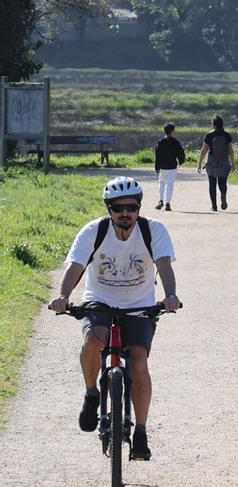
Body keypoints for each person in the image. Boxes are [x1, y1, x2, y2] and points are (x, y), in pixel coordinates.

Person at [49, 176, 182, 461]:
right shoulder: (93, 231)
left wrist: (170, 295)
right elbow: (76, 266)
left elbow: (164, 265)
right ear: (108, 209)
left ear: (139, 207)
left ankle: (141, 433)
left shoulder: (152, 230)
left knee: (138, 362)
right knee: (93, 340)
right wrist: (62, 296)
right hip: (100, 300)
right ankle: (91, 393)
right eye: (118, 208)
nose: (126, 214)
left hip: (140, 305)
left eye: (131, 207)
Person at [196, 115, 235, 211]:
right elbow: (231, 151)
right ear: (222, 124)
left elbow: (203, 150)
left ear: (213, 125)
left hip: (212, 161)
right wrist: (233, 163)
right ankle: (223, 195)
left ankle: (214, 206)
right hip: (224, 161)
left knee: (212, 184)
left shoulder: (209, 135)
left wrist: (199, 163)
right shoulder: (227, 135)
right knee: (223, 183)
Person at [154, 122, 186, 211]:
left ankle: (160, 200)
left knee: (161, 183)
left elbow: (157, 155)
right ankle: (168, 203)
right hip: (172, 166)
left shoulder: (160, 142)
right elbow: (181, 152)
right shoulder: (175, 142)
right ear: (172, 131)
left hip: (163, 166)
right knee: (170, 185)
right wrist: (181, 161)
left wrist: (157, 166)